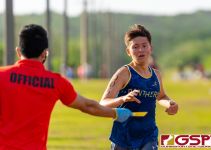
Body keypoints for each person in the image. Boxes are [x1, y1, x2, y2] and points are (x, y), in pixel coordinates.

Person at [0, 24, 132, 150]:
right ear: (45, 53)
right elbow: (87, 106)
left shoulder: (2, 75)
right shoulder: (56, 82)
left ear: (18, 51)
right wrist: (115, 113)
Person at [100, 24, 178, 150]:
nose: (140, 50)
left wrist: (170, 103)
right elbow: (103, 103)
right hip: (123, 137)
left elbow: (161, 96)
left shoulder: (156, 74)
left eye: (144, 46)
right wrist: (123, 99)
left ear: (150, 48)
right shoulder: (124, 73)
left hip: (149, 136)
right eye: (135, 47)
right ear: (128, 51)